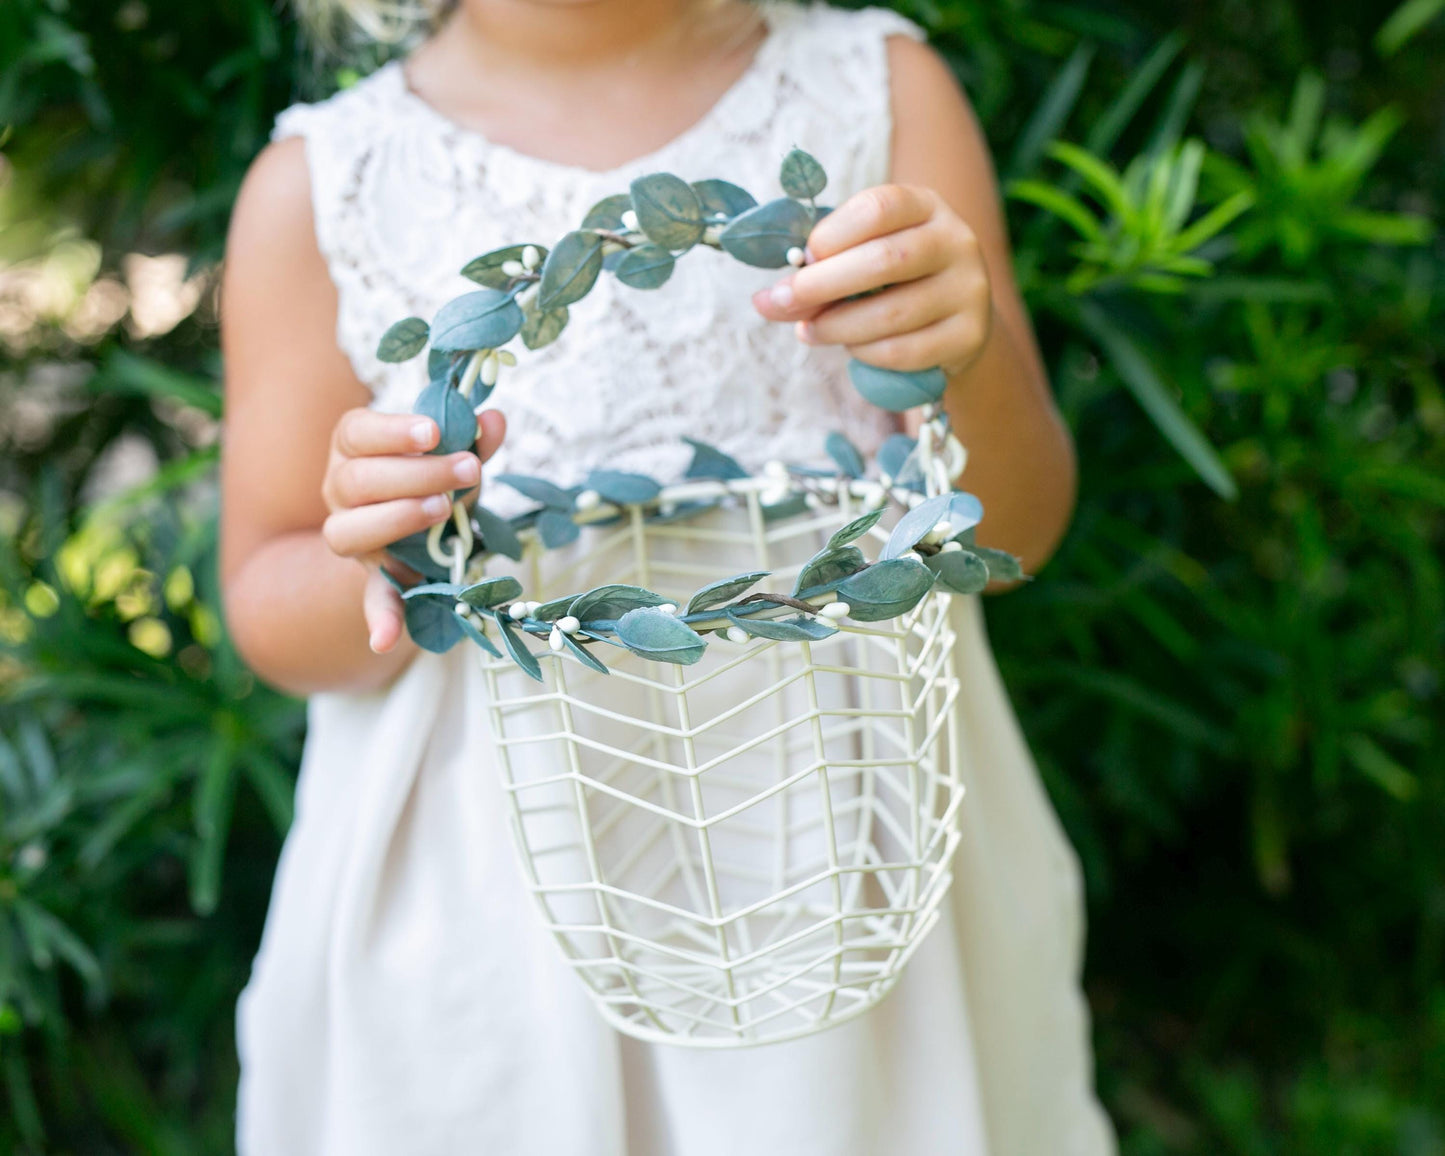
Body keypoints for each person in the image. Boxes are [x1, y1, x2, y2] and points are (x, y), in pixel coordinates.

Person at [219, 0, 1117, 1152]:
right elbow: (268, 601)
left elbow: (1018, 525)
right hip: (499, 900)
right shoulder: (321, 182)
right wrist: (384, 551)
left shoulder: (875, 91)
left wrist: (962, 354)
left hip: (854, 865)